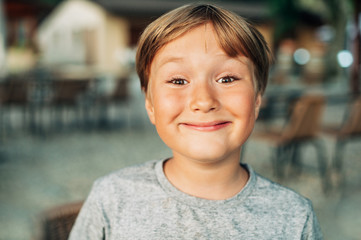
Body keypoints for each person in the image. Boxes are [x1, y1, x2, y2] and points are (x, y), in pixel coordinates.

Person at [69, 4, 323, 239]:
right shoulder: (112, 197)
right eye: (178, 81)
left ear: (257, 99)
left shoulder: (294, 216)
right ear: (150, 104)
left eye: (227, 79)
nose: (203, 101)